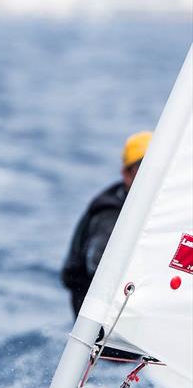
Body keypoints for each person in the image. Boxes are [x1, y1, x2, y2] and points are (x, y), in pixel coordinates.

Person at [61, 131, 152, 316]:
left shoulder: (159, 208)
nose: (152, 175)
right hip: (97, 314)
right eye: (143, 167)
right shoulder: (110, 214)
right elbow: (98, 264)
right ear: (127, 174)